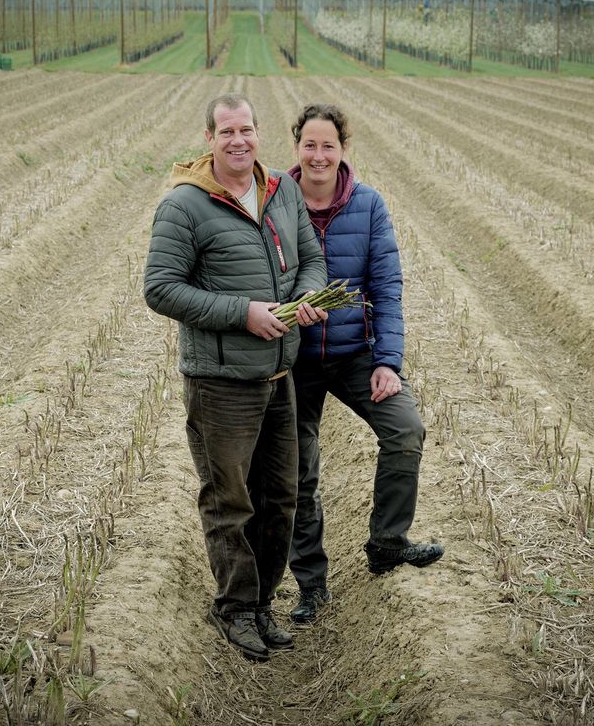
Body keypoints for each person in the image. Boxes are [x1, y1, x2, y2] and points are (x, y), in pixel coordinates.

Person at [144, 93, 328, 662]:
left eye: (246, 130)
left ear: (258, 133)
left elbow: (312, 258)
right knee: (231, 501)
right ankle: (235, 608)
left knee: (281, 499)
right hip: (221, 381)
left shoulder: (282, 191)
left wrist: (305, 298)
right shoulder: (185, 206)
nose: (238, 141)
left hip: (279, 374)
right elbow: (160, 288)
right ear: (209, 138)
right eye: (227, 132)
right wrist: (242, 312)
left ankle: (263, 604)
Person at [285, 103, 443, 624]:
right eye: (310, 144)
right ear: (296, 148)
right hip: (293, 359)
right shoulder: (276, 202)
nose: (319, 154)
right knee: (298, 469)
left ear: (343, 150)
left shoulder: (369, 206)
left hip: (355, 355)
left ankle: (388, 542)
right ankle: (310, 584)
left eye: (328, 145)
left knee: (405, 429)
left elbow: (387, 287)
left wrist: (388, 362)